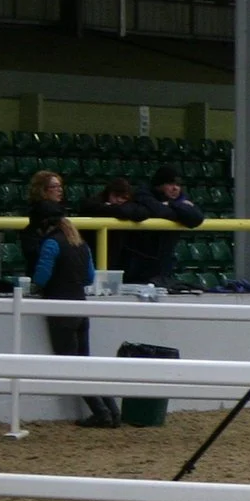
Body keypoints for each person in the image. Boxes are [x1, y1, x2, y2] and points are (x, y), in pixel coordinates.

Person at [23, 171, 117, 428]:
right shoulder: (81, 244)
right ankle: (111, 408)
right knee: (86, 360)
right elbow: (89, 277)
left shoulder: (51, 244)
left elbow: (42, 276)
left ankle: (101, 412)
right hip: (80, 304)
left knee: (71, 364)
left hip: (60, 305)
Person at [114, 163, 206, 287]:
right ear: (159, 185)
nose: (175, 188)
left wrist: (171, 204)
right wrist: (179, 208)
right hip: (138, 265)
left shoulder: (178, 200)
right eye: (170, 184)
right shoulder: (143, 195)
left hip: (163, 266)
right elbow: (163, 212)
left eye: (178, 185)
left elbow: (196, 218)